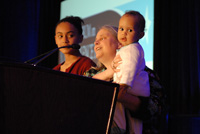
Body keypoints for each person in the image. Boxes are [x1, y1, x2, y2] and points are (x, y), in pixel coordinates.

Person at [84, 25, 148, 134]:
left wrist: (122, 95)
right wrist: (109, 73)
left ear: (120, 44)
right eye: (95, 40)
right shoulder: (90, 74)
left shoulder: (142, 72)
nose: (96, 43)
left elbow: (154, 110)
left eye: (102, 38)